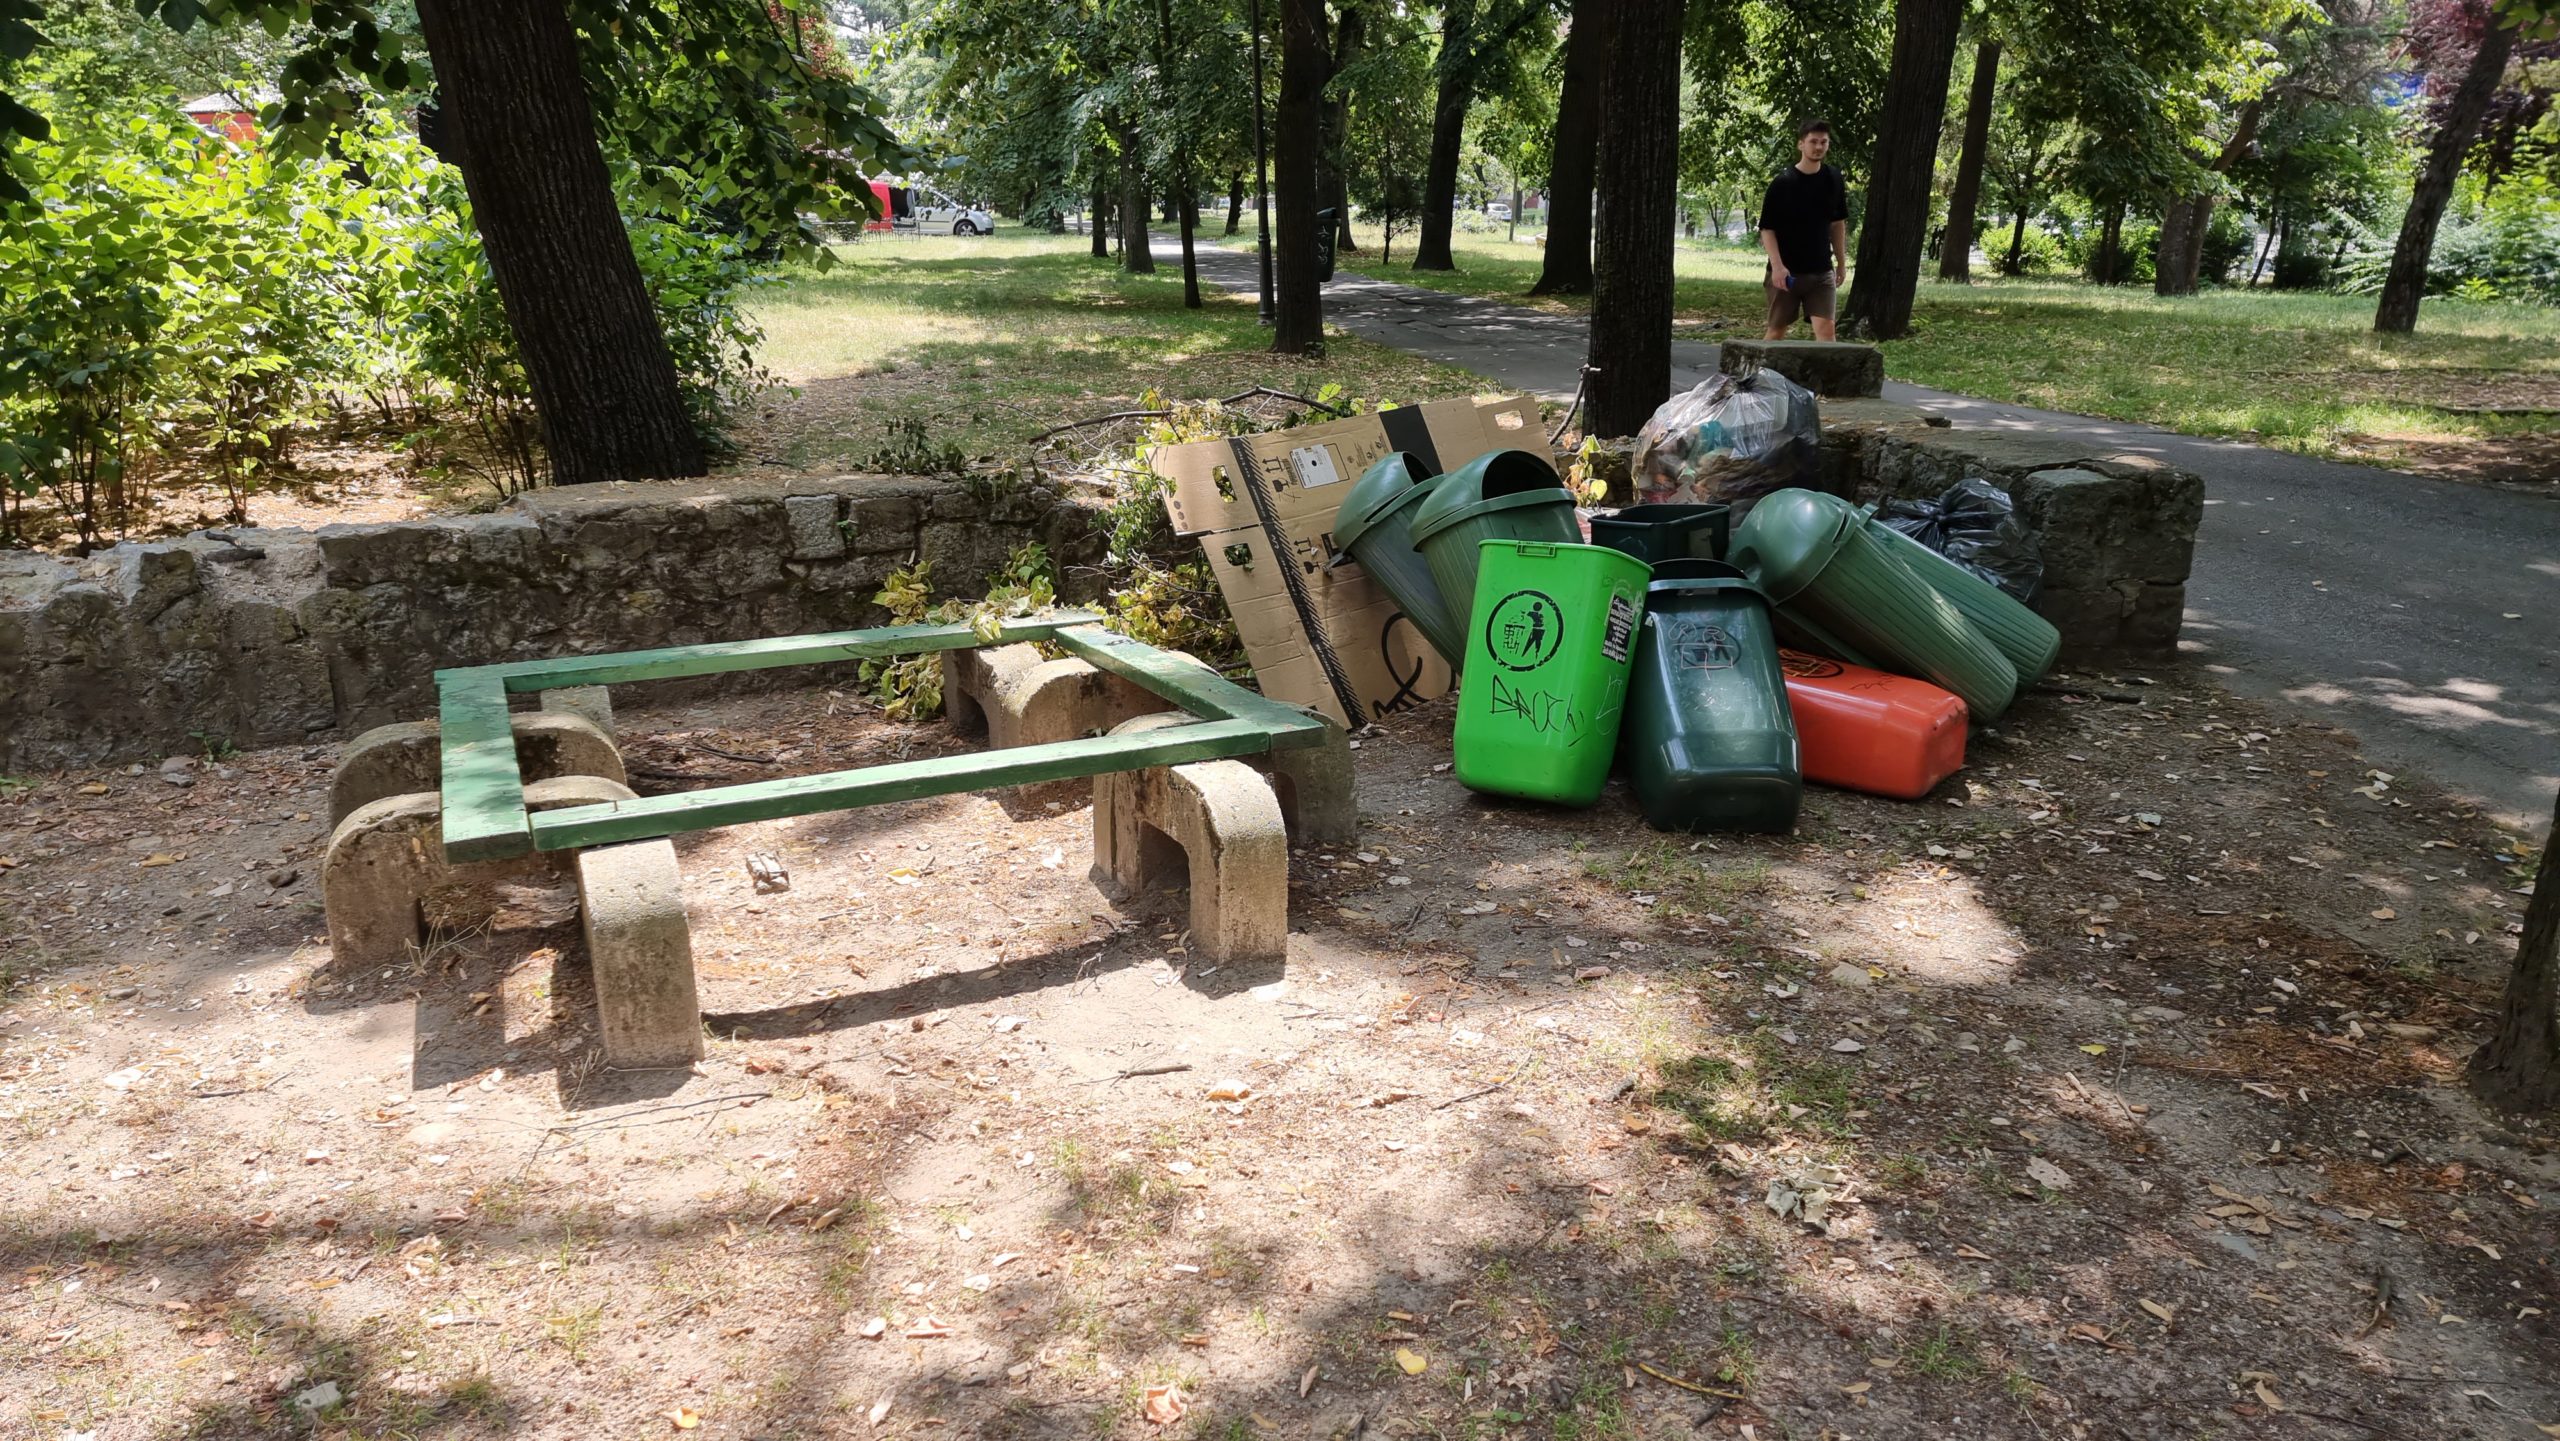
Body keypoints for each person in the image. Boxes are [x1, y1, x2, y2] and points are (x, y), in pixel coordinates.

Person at [1757, 119, 1850, 340]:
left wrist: (1841, 263)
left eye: (1823, 142)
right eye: (1813, 142)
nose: (1818, 147)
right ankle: (1757, 372)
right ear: (1801, 144)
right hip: (1786, 274)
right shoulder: (1783, 183)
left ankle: (1827, 375)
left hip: (1821, 273)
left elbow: (1837, 224)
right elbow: (1767, 229)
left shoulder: (1834, 179)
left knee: (1827, 332)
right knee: (1776, 331)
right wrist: (1778, 267)